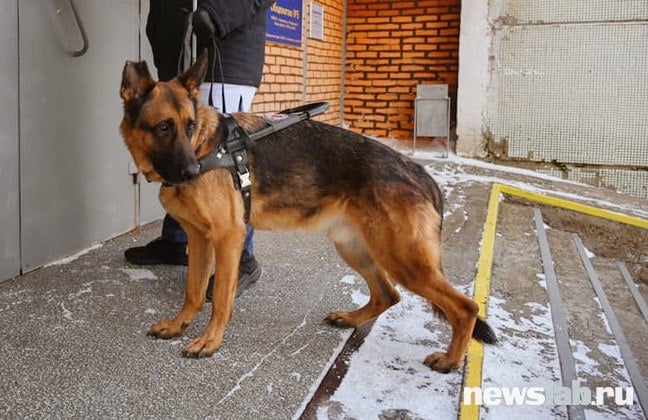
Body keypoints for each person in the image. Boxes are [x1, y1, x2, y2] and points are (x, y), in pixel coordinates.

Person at [125, 0, 276, 299]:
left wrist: (220, 15)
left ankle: (244, 257)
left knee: (226, 166)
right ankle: (177, 238)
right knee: (179, 149)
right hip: (180, 53)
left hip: (226, 52)